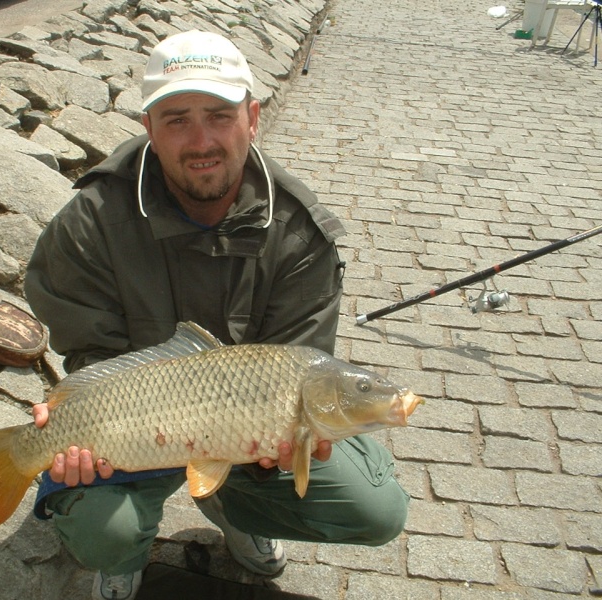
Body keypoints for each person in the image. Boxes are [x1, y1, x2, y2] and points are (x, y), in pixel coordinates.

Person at [24, 30, 409, 600]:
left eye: (220, 115)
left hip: (243, 437)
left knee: (376, 510)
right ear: (148, 127)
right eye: (176, 118)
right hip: (133, 426)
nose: (201, 140)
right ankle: (125, 553)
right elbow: (90, 351)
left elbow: (302, 359)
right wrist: (77, 419)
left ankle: (238, 509)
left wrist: (279, 448)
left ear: (252, 118)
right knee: (104, 528)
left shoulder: (301, 232)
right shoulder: (91, 217)